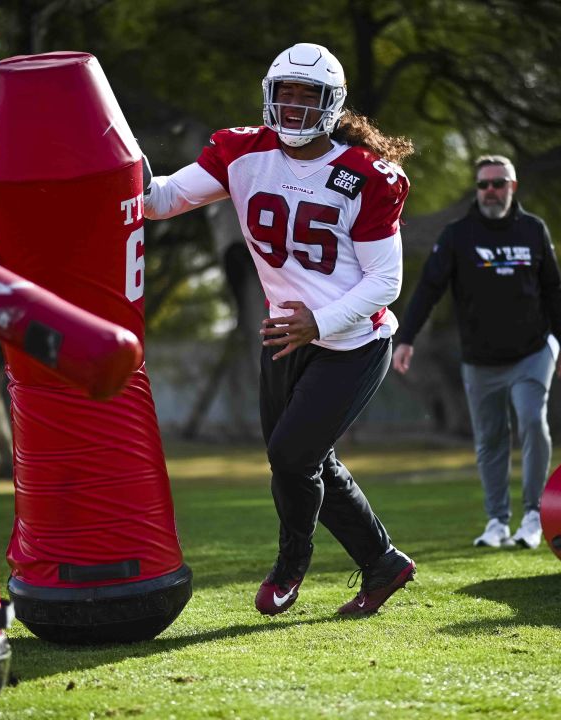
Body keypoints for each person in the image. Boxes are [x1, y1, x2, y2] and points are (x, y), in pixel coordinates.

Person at [143, 43, 417, 617]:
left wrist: (319, 320)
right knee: (300, 459)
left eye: (307, 95)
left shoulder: (366, 175)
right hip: (283, 336)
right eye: (284, 93)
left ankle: (291, 563)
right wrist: (116, 167)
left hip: (351, 341)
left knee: (293, 458)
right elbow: (161, 200)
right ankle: (384, 562)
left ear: (332, 103)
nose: (293, 106)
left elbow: (385, 282)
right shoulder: (243, 151)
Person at [392, 155, 561, 550]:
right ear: (477, 189)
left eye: (499, 183)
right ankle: (496, 522)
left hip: (533, 351)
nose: (491, 191)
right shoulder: (458, 234)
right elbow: (428, 289)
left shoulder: (533, 230)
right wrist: (405, 338)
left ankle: (532, 516)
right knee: (490, 438)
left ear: (513, 186)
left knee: (530, 420)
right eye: (484, 184)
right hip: (480, 358)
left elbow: (553, 289)